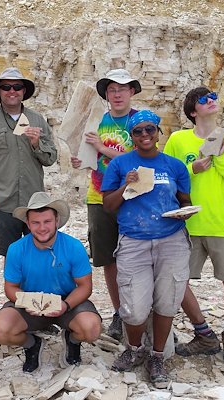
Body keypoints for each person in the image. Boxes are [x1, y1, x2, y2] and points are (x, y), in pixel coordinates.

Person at [101, 110, 192, 389]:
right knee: (134, 309)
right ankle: (135, 347)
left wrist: (185, 213)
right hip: (134, 241)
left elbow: (185, 200)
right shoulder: (120, 165)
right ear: (131, 136)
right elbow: (108, 205)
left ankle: (156, 356)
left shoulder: (175, 166)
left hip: (172, 240)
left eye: (149, 130)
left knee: (167, 301)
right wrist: (126, 186)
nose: (144, 136)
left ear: (158, 132)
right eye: (138, 131)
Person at [163, 87, 224, 363]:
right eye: (203, 100)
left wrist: (218, 158)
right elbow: (167, 178)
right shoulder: (178, 139)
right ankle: (203, 332)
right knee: (179, 281)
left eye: (213, 97)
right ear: (192, 111)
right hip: (188, 224)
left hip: (222, 222)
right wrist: (192, 169)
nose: (211, 101)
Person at [0, 192, 101, 373]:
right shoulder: (16, 249)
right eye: (36, 222)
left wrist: (65, 305)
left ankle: (72, 340)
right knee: (0, 330)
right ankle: (32, 344)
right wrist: (27, 302)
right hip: (30, 301)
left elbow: (85, 286)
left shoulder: (73, 246)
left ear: (57, 220)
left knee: (91, 329)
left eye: (47, 221)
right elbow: (10, 287)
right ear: (27, 223)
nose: (42, 228)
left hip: (67, 301)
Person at [70, 69, 140, 341]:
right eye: (112, 90)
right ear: (106, 94)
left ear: (132, 91)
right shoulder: (97, 121)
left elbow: (139, 158)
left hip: (133, 198)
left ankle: (140, 310)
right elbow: (89, 157)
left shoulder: (140, 122)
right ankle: (119, 312)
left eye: (123, 89)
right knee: (109, 260)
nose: (118, 94)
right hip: (98, 196)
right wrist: (82, 160)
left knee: (135, 260)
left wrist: (102, 147)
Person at [0, 67, 58, 258]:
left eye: (17, 86)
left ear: (24, 91)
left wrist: (36, 144)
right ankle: (13, 290)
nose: (12, 91)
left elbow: (50, 159)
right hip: (4, 205)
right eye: (6, 87)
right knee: (11, 258)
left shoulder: (37, 120)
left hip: (35, 204)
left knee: (39, 255)